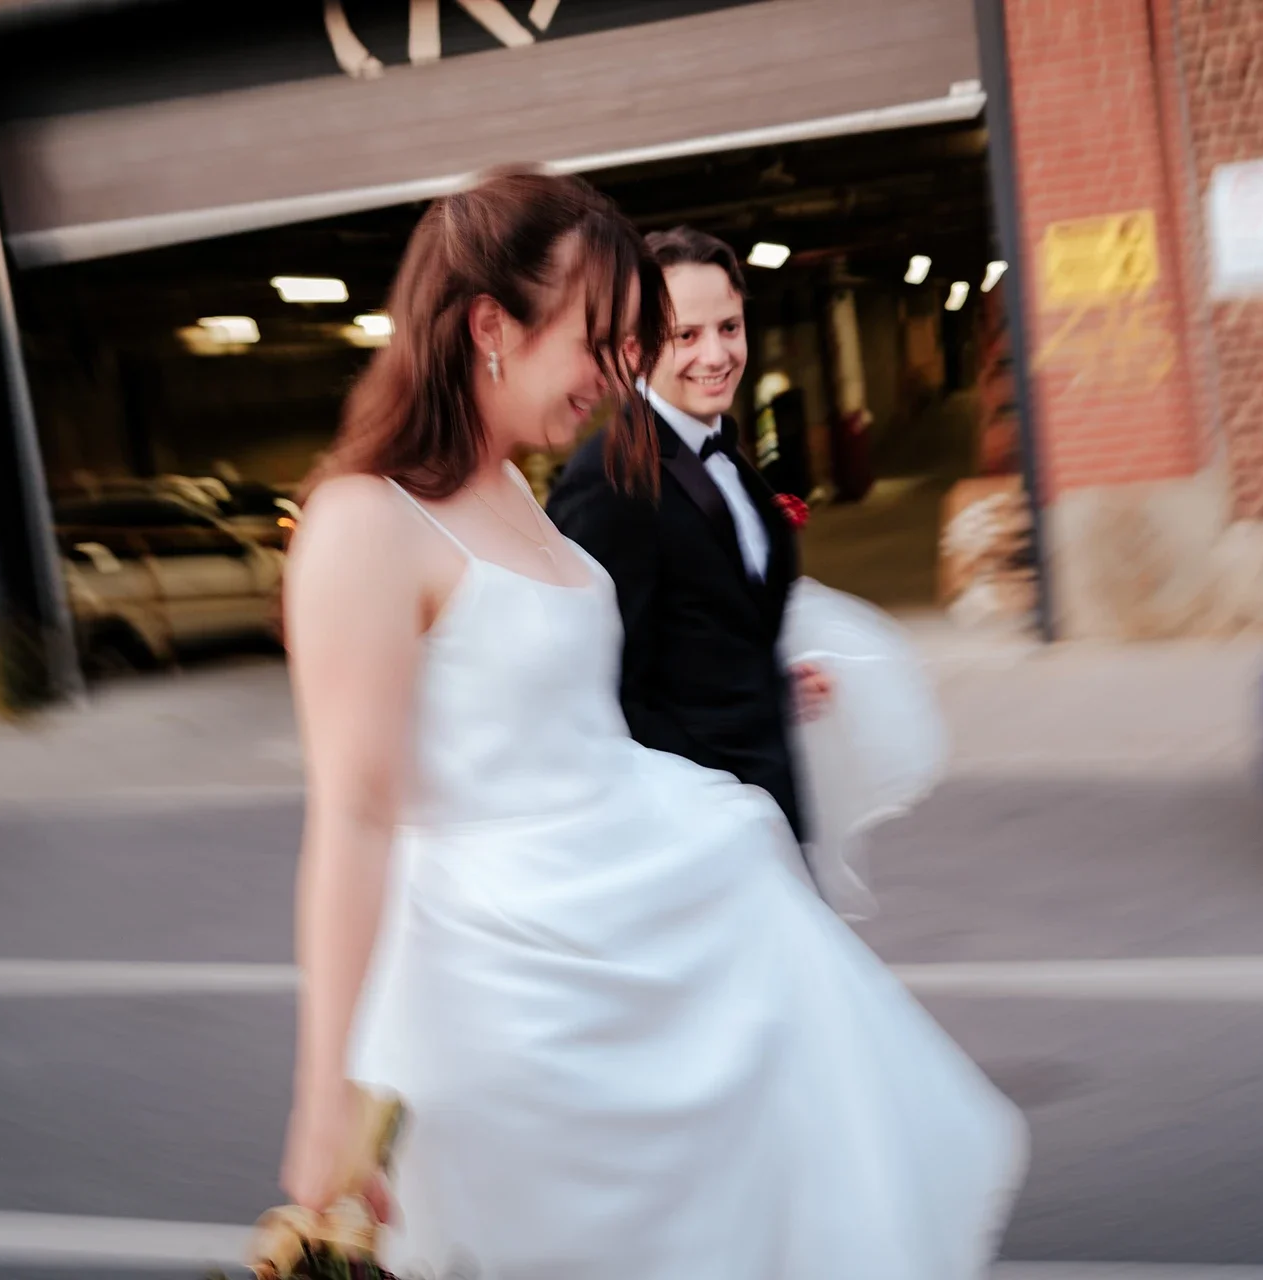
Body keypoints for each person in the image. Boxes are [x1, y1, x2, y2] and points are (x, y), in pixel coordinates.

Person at [279, 169, 1026, 1280]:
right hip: (516, 1001)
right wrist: (327, 1095)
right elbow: (354, 818)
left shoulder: (517, 493)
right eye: (602, 341)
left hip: (653, 943)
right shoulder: (362, 523)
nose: (623, 372)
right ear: (491, 324)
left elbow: (572, 721)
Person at [547, 226, 822, 845]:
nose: (717, 355)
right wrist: (705, 811)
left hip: (764, 813)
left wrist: (768, 677)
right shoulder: (609, 482)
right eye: (685, 336)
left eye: (729, 327)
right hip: (695, 834)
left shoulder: (725, 452)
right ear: (636, 347)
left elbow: (715, 623)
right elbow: (600, 690)